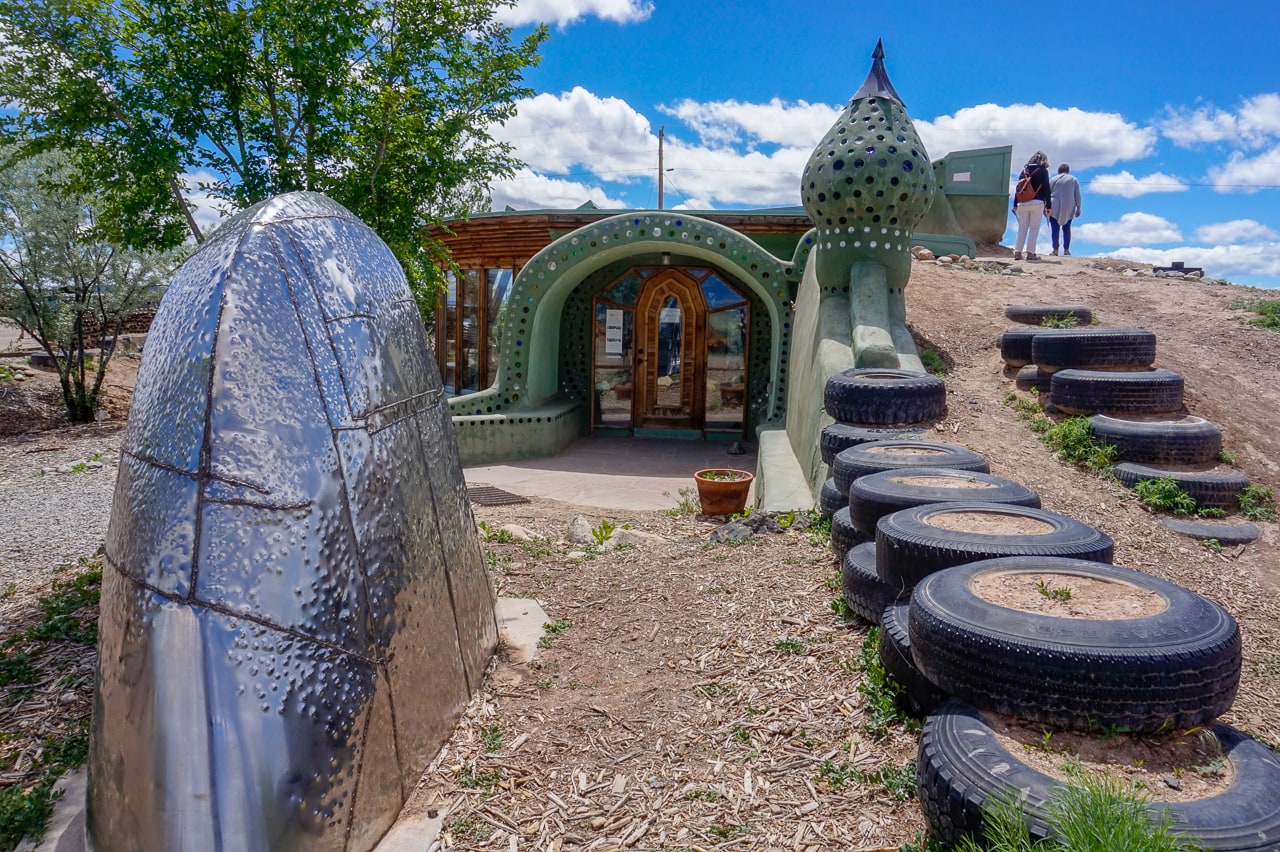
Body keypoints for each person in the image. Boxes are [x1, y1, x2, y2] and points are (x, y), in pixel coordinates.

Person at [1012, 151, 1052, 261]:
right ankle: (1030, 253)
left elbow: (1019, 188)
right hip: (1037, 202)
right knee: (1034, 228)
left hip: (1022, 203)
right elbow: (1047, 189)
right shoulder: (1043, 171)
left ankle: (1017, 252)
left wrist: (1015, 204)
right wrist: (1048, 206)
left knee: (1022, 228)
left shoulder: (1024, 170)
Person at [1049, 163, 1082, 256]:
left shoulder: (1053, 179)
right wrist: (1078, 208)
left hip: (1054, 205)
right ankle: (1066, 249)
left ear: (1058, 171)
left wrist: (1046, 207)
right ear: (1068, 171)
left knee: (1054, 228)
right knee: (1066, 228)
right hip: (1069, 206)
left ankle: (1055, 250)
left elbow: (1047, 193)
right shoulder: (1073, 179)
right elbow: (1077, 195)